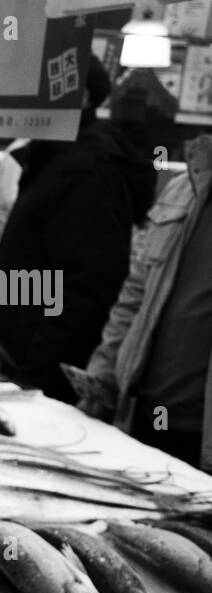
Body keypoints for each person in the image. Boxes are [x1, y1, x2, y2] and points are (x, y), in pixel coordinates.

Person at [0, 57, 156, 404]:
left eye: (38, 88)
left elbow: (88, 289)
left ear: (81, 97)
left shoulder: (87, 169)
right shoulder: (54, 155)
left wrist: (36, 380)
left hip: (33, 381)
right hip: (11, 365)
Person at [80, 134, 212, 470]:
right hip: (148, 412)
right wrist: (104, 373)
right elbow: (136, 293)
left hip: (200, 433)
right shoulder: (183, 188)